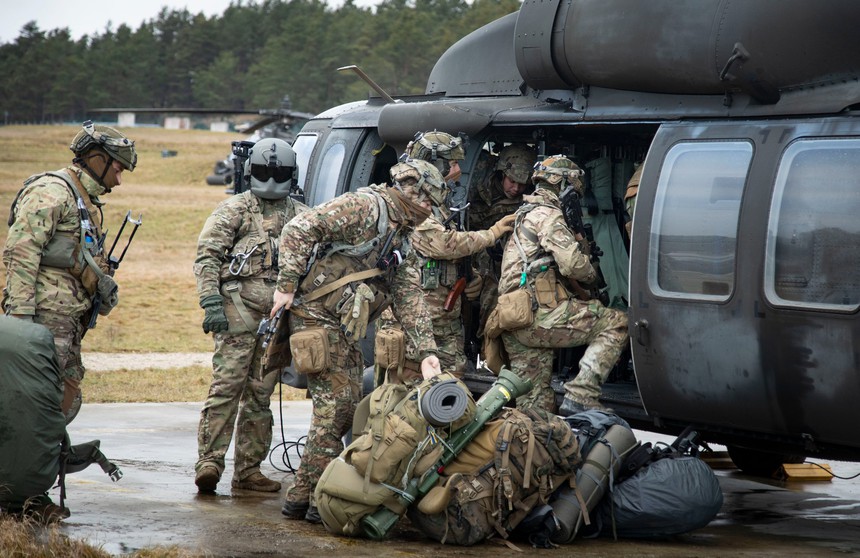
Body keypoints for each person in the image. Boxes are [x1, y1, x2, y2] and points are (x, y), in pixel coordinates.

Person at [271, 158, 445, 523]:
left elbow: (408, 295)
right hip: (315, 314)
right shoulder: (364, 207)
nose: (430, 211)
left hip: (343, 325)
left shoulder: (402, 236)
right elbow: (298, 228)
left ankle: (303, 494)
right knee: (336, 408)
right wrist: (286, 286)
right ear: (413, 193)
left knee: (344, 408)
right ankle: (318, 498)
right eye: (428, 202)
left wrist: (427, 351)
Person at [193, 138, 308, 494]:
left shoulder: (302, 216)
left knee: (261, 394)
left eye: (279, 173)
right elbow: (207, 256)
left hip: (277, 320)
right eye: (264, 171)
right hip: (236, 312)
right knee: (227, 387)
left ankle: (248, 470)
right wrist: (211, 302)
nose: (271, 179)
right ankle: (209, 462)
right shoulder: (234, 210)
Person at [2, 121, 137, 422]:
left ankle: (44, 450)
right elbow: (21, 251)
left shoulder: (84, 200)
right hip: (43, 319)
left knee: (63, 396)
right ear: (98, 160)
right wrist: (22, 319)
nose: (119, 181)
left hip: (68, 320)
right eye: (118, 170)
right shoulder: (52, 191)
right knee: (35, 400)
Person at [494, 155, 629, 414]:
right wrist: (591, 274)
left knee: (534, 408)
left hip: (513, 319)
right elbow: (573, 265)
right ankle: (581, 394)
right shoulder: (549, 216)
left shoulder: (525, 213)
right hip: (538, 316)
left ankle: (534, 437)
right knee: (618, 322)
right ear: (565, 184)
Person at [377, 131, 517, 379]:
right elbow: (443, 243)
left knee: (452, 380)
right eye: (452, 164)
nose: (458, 170)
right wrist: (492, 233)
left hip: (443, 318)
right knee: (412, 383)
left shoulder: (438, 203)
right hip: (419, 320)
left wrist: (470, 277)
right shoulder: (413, 204)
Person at [467, 143, 538, 332]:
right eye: (512, 181)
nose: (516, 188)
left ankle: (487, 334)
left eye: (522, 184)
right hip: (468, 241)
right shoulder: (478, 178)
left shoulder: (529, 198)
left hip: (498, 251)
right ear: (501, 173)